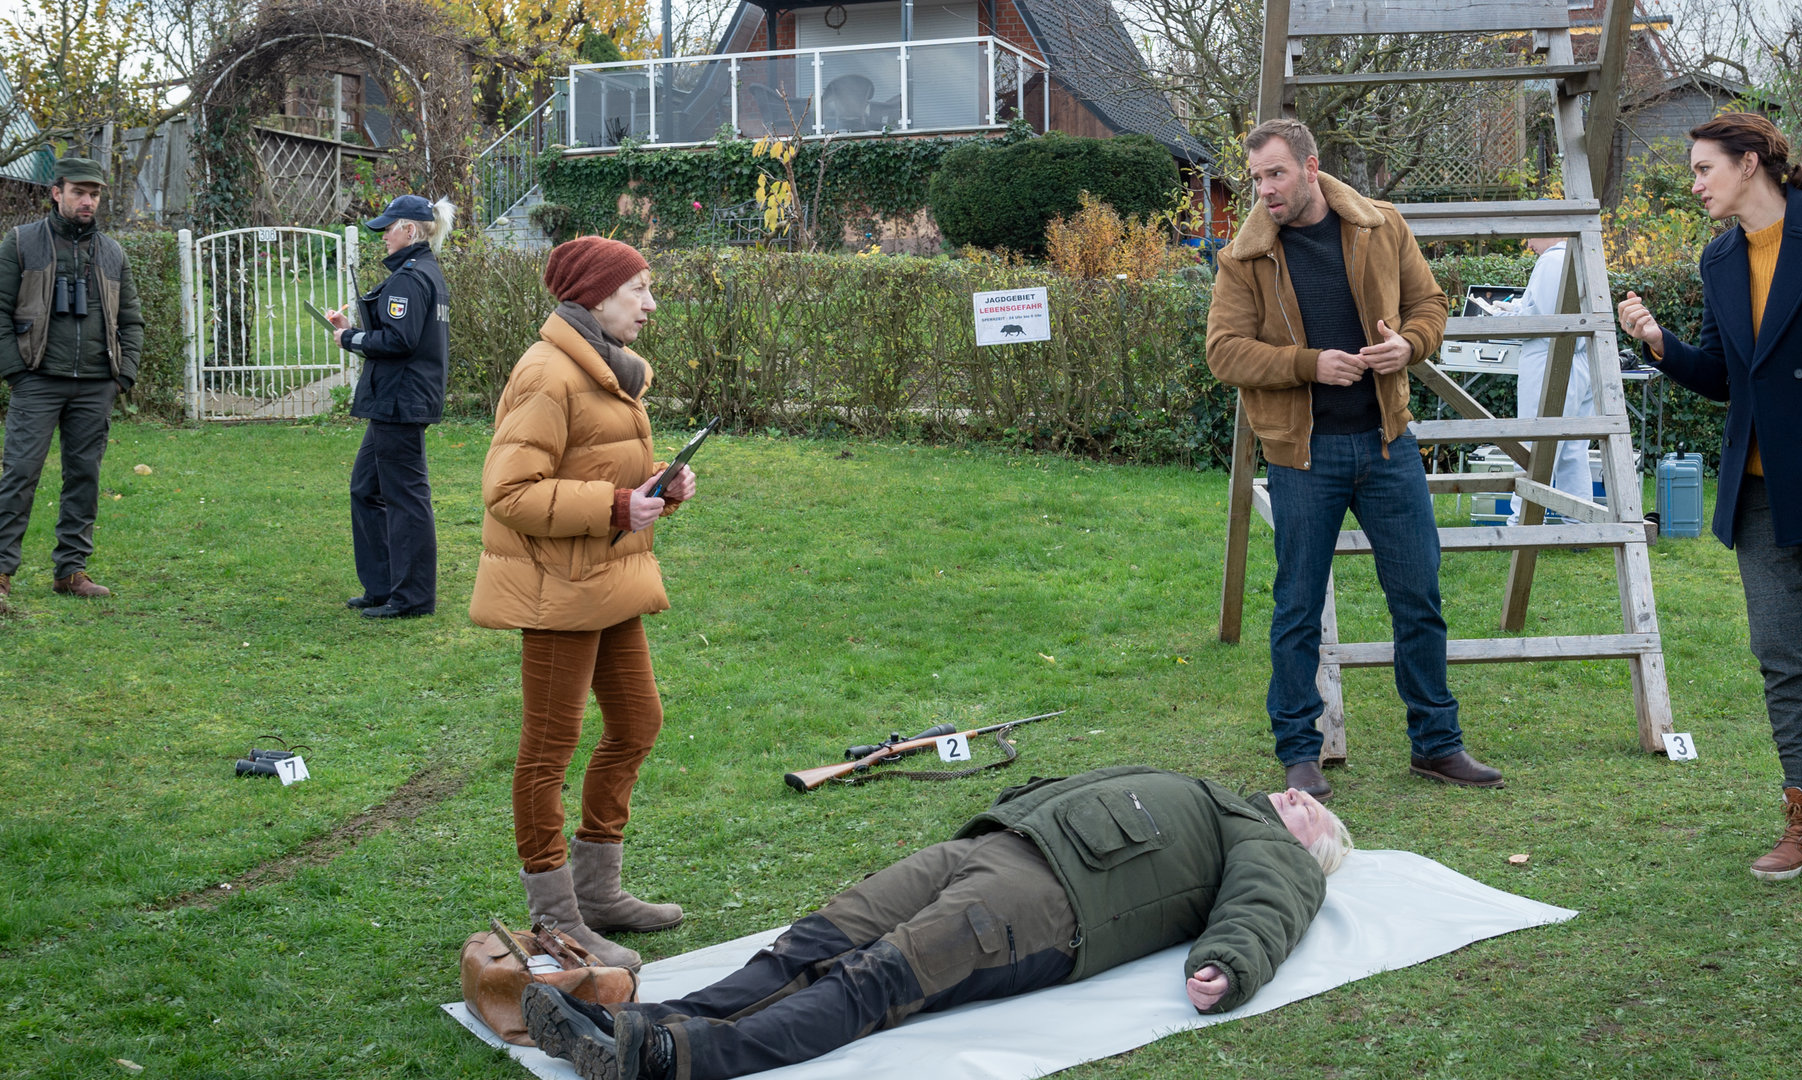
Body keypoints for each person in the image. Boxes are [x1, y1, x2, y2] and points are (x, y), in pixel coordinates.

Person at [518, 766, 1349, 1080]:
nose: (1298, 798)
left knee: (875, 980)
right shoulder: (1210, 791)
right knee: (810, 943)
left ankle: (677, 1058)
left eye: (1311, 813)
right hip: (991, 849)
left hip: (1051, 908)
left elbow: (1264, 911)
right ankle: (624, 1024)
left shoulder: (1269, 849)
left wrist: (1230, 967)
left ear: (1314, 848)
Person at [1617, 113, 1802, 881]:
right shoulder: (1720, 259)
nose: (1693, 183)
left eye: (1703, 168)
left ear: (1750, 164)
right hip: (1759, 491)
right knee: (1780, 658)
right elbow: (1724, 376)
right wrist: (1658, 344)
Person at [1206, 118, 1503, 799]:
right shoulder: (1243, 257)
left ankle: (1435, 745)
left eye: (1274, 174)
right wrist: (1308, 365)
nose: (1263, 191)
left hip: (1387, 442)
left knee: (1418, 598)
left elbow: (1428, 303)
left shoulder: (1380, 225)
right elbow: (1223, 352)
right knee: (1296, 608)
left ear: (1310, 169)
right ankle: (1298, 755)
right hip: (1300, 455)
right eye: (1255, 179)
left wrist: (1412, 344)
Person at [469, 235, 695, 970]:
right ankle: (557, 918)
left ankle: (599, 893)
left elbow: (598, 465)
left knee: (636, 721)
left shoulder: (608, 369)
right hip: (557, 589)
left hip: (607, 579)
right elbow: (510, 494)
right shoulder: (546, 373)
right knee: (548, 750)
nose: (651, 304)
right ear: (597, 296)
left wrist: (659, 484)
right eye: (640, 290)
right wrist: (614, 505)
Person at [0, 156, 144, 614]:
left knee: (84, 477)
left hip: (96, 383)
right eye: (79, 192)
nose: (88, 201)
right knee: (19, 474)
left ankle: (71, 571)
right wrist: (15, 372)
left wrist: (124, 375)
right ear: (56, 192)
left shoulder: (113, 252)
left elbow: (132, 320)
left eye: (95, 194)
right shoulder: (20, 243)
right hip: (37, 380)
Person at [327, 194, 453, 619]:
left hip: (399, 400)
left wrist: (351, 339)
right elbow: (404, 334)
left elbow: (399, 342)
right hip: (397, 399)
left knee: (405, 497)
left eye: (389, 228)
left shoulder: (409, 278)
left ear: (410, 230)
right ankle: (382, 586)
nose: (383, 236)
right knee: (367, 489)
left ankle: (412, 598)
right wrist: (356, 331)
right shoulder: (426, 274)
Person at [1505, 237, 1597, 522]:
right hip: (1582, 360)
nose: (1528, 243)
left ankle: (1523, 521)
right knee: (1573, 449)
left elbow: (1542, 322)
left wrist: (1510, 316)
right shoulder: (1582, 258)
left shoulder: (1551, 261)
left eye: (1531, 234)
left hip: (1550, 359)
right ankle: (1579, 524)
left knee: (1535, 446)